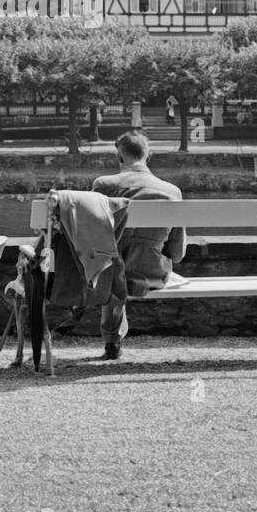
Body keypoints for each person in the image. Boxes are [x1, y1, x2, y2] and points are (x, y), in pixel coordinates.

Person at [90, 131, 186, 359]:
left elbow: (90, 237)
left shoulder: (103, 185)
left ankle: (112, 340)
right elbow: (177, 253)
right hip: (151, 272)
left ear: (120, 157)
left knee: (112, 266)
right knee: (122, 263)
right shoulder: (172, 191)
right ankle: (113, 339)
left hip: (109, 273)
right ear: (147, 156)